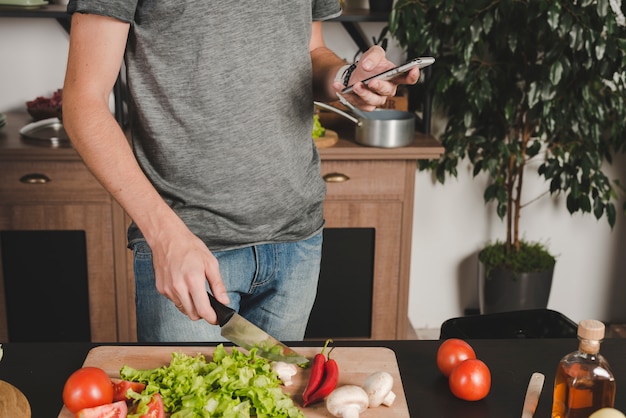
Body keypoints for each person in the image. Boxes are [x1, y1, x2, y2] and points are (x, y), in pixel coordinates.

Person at [62, 0, 420, 342]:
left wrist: (348, 78)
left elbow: (310, 51)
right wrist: (165, 237)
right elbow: (84, 102)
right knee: (193, 404)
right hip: (189, 247)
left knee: (274, 399)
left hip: (296, 240)